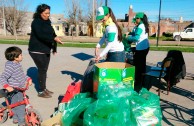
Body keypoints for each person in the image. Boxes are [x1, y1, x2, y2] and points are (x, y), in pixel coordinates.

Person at [28, 4, 63, 98]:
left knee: (44, 70)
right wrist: (54, 39)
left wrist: (54, 47)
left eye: (49, 13)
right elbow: (41, 35)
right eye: (46, 13)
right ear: (40, 13)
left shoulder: (47, 22)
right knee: (42, 70)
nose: (48, 15)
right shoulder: (36, 22)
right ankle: (40, 91)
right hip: (36, 50)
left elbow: (53, 34)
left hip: (45, 50)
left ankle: (43, 88)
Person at [0, 46, 32, 126]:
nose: (22, 56)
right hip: (15, 90)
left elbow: (22, 74)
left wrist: (28, 79)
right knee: (20, 106)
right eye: (21, 55)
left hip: (20, 88)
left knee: (16, 104)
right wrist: (7, 86)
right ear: (15, 57)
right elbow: (2, 77)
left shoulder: (17, 64)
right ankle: (21, 123)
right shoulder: (10, 67)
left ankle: (15, 118)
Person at [126, 12, 150, 93]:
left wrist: (128, 39)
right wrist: (129, 33)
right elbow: (135, 33)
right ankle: (142, 82)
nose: (135, 20)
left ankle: (139, 84)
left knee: (139, 66)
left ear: (140, 19)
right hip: (144, 47)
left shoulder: (141, 26)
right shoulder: (143, 25)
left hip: (141, 49)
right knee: (142, 65)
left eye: (136, 18)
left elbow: (136, 37)